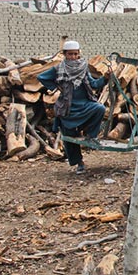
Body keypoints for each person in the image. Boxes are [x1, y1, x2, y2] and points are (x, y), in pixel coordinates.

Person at [38, 40, 107, 175]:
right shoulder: (58, 69)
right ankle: (79, 163)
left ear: (78, 54)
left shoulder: (83, 67)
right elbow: (41, 77)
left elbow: (93, 84)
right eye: (70, 54)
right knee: (69, 137)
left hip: (85, 104)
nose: (73, 57)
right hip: (68, 107)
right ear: (65, 54)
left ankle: (91, 135)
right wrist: (55, 88)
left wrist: (105, 79)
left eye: (75, 54)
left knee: (100, 108)